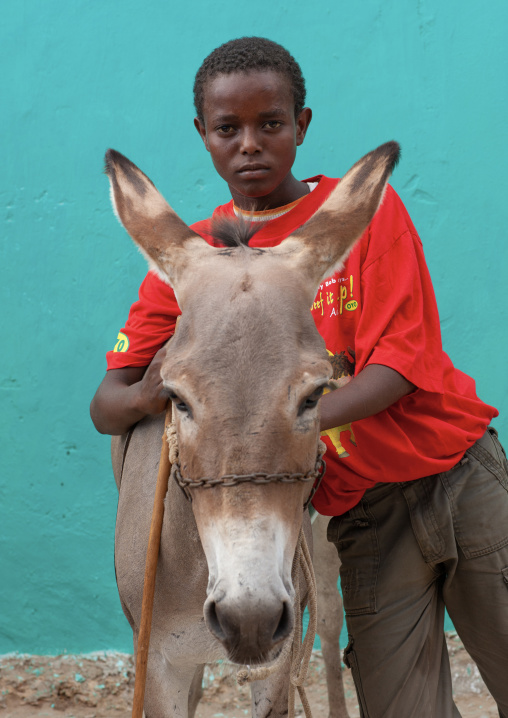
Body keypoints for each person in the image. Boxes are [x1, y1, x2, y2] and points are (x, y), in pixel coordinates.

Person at [90, 37, 508, 718]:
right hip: (360, 512)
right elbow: (109, 399)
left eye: (270, 125)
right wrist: (164, 393)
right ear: (203, 136)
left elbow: (401, 368)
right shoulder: (193, 262)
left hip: (457, 478)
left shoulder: (365, 218)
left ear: (302, 126)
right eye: (228, 129)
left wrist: (275, 415)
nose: (249, 145)